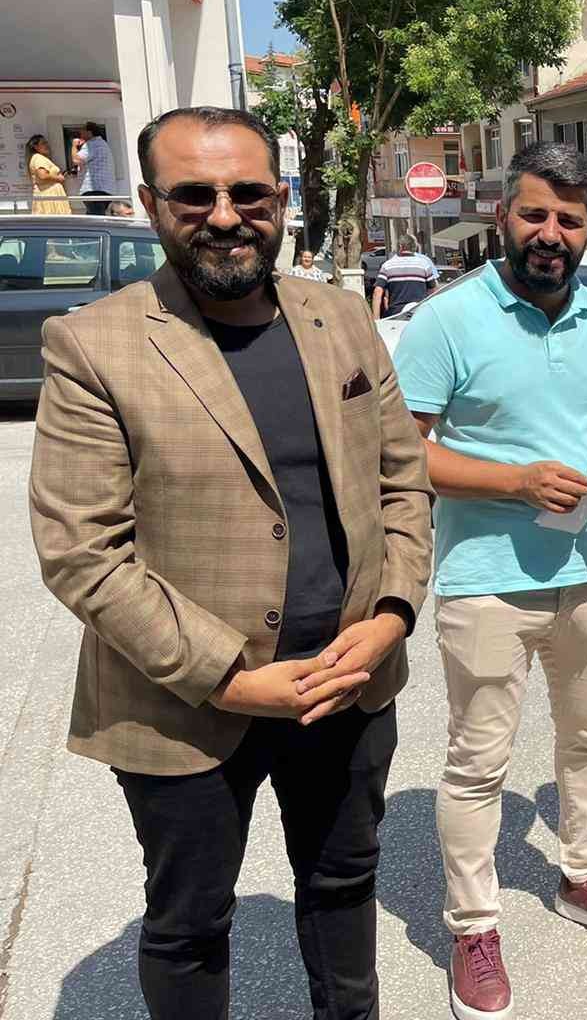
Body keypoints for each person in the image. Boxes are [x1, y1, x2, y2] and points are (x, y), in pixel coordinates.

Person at [28, 105, 435, 1020]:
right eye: (194, 195)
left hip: (348, 681)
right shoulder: (93, 345)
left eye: (248, 193)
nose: (224, 216)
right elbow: (84, 552)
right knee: (189, 924)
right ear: (150, 204)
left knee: (343, 887)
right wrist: (232, 680)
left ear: (280, 200)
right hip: (184, 704)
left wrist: (391, 616)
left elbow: (403, 485)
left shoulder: (342, 319)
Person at [394, 142, 587, 1020]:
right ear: (503, 215)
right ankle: (473, 927)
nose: (551, 234)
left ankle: (584, 875)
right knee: (478, 764)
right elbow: (401, 451)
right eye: (535, 214)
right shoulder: (448, 319)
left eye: (569, 220)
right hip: (485, 582)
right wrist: (513, 481)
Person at [371, 234, 438, 319]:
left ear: (400, 246)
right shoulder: (424, 265)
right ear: (415, 247)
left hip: (395, 314)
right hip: (419, 314)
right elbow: (433, 291)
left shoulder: (387, 266)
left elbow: (377, 292)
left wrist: (376, 319)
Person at [72, 121, 116, 214]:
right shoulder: (102, 143)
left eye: (82, 131)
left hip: (94, 189)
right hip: (105, 189)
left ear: (89, 132)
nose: (80, 134)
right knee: (93, 216)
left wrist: (74, 146)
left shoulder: (92, 144)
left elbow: (76, 160)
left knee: (96, 217)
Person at [26, 134, 72, 214]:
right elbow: (42, 175)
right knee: (53, 218)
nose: (47, 145)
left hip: (51, 195)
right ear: (35, 147)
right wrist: (59, 178)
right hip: (49, 195)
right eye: (43, 143)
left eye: (46, 143)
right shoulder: (38, 157)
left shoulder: (40, 158)